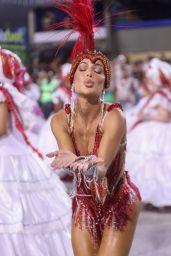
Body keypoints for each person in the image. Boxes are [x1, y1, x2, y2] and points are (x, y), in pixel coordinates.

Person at [47, 1, 141, 255]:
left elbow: (100, 169)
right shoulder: (59, 120)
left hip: (119, 202)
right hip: (84, 203)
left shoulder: (114, 116)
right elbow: (69, 156)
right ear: (72, 79)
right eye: (83, 69)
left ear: (104, 83)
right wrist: (70, 160)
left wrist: (84, 164)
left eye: (98, 71)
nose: (89, 73)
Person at [0, 48, 73, 256]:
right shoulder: (8, 90)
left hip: (6, 155)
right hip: (14, 154)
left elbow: (2, 127)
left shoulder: (1, 91)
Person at [125, 58, 171, 208]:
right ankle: (151, 197)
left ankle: (159, 198)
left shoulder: (161, 96)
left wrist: (144, 117)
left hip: (157, 133)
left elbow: (164, 117)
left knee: (155, 165)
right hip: (152, 132)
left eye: (151, 81)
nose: (148, 84)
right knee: (148, 166)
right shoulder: (159, 95)